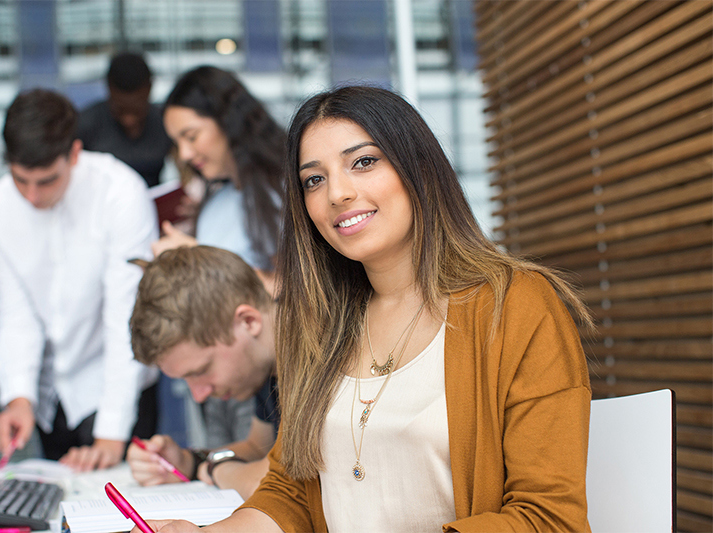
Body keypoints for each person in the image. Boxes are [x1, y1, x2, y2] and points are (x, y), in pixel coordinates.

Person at [141, 86, 593, 533]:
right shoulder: (319, 323)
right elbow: (291, 491)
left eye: (364, 162)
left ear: (418, 167)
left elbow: (550, 520)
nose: (337, 193)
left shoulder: (516, 306)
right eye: (313, 180)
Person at [0, 88, 159, 471]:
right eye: (20, 179)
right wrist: (19, 396)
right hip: (50, 394)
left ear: (74, 154)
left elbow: (127, 314)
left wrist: (110, 434)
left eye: (46, 181)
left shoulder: (121, 193)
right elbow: (13, 313)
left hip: (117, 383)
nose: (31, 195)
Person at [151, 66, 285, 457]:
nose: (186, 154)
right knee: (231, 461)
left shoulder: (285, 189)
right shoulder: (217, 200)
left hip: (268, 370)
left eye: (191, 136)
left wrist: (198, 259)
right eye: (178, 142)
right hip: (223, 372)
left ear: (228, 121)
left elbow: (308, 288)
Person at [126, 245, 278, 500]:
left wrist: (218, 469)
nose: (199, 395)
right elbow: (257, 447)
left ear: (248, 321)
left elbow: (274, 484)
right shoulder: (265, 365)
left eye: (202, 370)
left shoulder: (317, 356)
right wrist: (188, 463)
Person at [77, 51, 172, 187]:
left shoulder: (165, 122)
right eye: (120, 109)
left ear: (150, 89)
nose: (129, 120)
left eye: (137, 109)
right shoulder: (85, 125)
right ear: (108, 89)